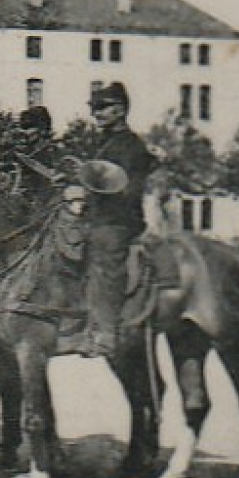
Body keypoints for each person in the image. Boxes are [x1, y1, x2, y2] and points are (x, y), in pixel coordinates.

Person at [73, 81, 156, 358]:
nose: (97, 113)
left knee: (104, 253)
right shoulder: (103, 141)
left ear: (120, 110)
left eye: (103, 108)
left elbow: (129, 188)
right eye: (95, 108)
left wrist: (98, 188)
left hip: (120, 220)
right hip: (98, 216)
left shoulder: (132, 146)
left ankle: (106, 332)